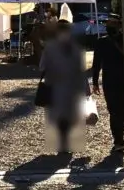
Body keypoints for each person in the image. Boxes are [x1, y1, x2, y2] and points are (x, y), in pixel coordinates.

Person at [37, 19, 89, 156]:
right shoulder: (76, 48)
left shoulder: (50, 48)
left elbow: (42, 66)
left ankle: (63, 143)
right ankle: (65, 142)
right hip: (71, 86)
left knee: (60, 116)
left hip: (56, 85)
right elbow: (81, 70)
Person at [91, 16, 124, 153]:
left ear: (119, 25)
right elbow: (96, 64)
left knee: (123, 111)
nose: (109, 26)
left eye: (112, 24)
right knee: (114, 111)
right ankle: (118, 140)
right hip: (110, 82)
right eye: (107, 24)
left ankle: (120, 137)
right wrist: (94, 82)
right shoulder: (102, 42)